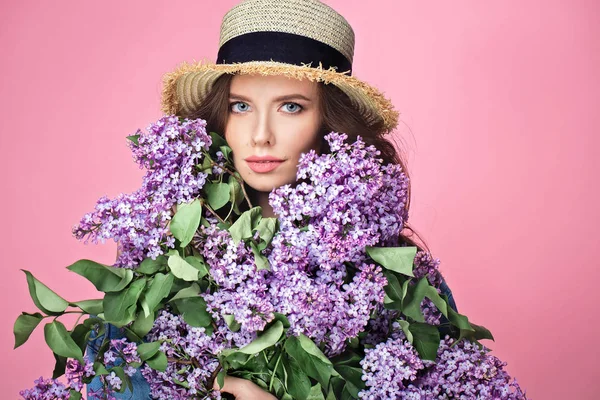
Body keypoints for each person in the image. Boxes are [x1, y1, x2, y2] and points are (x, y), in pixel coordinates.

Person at [87, 0, 457, 398]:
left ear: (329, 122)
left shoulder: (399, 280)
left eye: (291, 107)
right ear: (220, 118)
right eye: (241, 106)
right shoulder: (161, 267)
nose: (261, 134)